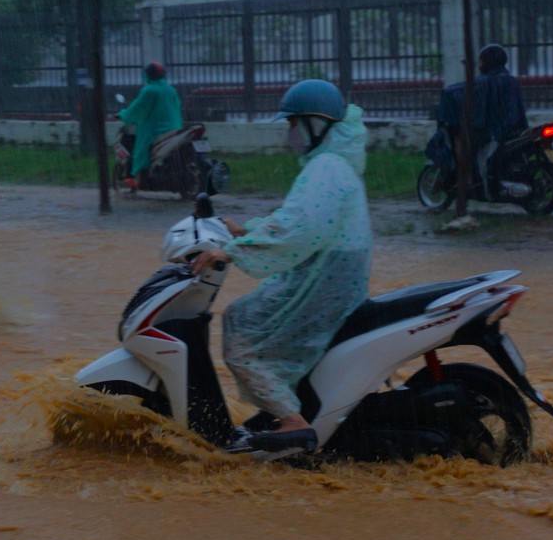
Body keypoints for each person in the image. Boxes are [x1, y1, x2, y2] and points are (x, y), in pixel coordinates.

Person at [191, 80, 373, 452]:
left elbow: (297, 229)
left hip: (324, 287)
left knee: (241, 329)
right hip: (328, 281)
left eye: (293, 124)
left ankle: (292, 420)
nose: (289, 134)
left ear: (315, 124)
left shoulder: (326, 168)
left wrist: (234, 251)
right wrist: (246, 231)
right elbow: (297, 220)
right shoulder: (332, 166)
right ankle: (288, 408)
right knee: (248, 320)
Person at [433, 44, 528, 197]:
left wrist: (446, 98)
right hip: (514, 128)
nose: (479, 64)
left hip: (494, 131)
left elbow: (457, 91)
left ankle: (467, 178)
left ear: (487, 62)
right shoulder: (510, 80)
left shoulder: (487, 82)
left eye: (481, 61)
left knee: (460, 139)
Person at [117, 62, 182, 190]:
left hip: (155, 132)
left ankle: (138, 177)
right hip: (174, 130)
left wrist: (123, 114)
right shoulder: (170, 90)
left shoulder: (149, 91)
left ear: (148, 75)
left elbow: (136, 110)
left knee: (140, 148)